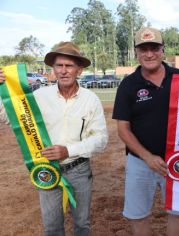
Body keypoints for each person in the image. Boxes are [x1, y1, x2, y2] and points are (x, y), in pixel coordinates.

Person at [0, 42, 108, 236]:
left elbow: (100, 139)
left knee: (82, 225)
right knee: (52, 228)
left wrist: (69, 150)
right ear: (53, 69)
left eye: (69, 66)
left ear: (79, 70)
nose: (64, 71)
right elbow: (12, 118)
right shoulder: (40, 96)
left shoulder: (91, 99)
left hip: (80, 169)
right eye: (59, 65)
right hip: (46, 169)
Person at [112, 27, 179, 236]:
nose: (149, 54)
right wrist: (147, 157)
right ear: (136, 52)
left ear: (162, 50)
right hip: (140, 162)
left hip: (177, 160)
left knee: (177, 212)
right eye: (143, 49)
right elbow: (123, 129)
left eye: (154, 48)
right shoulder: (128, 85)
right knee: (138, 215)